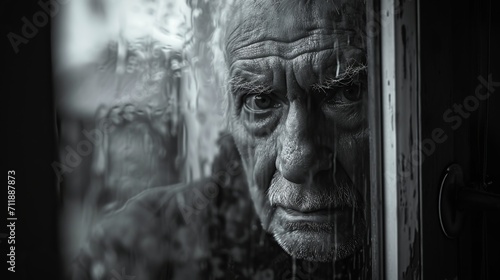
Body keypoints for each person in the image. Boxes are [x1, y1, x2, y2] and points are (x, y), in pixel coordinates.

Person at [72, 0, 371, 279]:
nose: (295, 161)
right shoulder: (139, 250)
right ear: (229, 115)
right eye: (261, 101)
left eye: (347, 93)